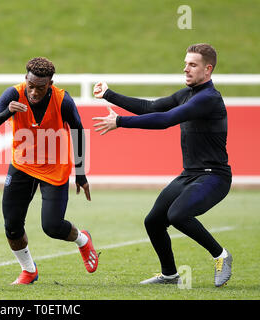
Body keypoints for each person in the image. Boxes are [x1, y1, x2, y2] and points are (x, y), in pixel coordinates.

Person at [92, 43, 232, 287]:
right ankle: (169, 275)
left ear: (207, 70)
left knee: (178, 215)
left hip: (214, 177)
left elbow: (166, 120)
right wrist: (109, 94)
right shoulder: (185, 94)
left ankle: (221, 255)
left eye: (192, 64)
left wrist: (121, 122)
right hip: (190, 175)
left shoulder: (209, 98)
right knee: (153, 221)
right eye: (185, 63)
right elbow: (151, 107)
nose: (186, 68)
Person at [0, 57, 98, 284]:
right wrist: (7, 113)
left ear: (50, 84)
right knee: (12, 227)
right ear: (25, 79)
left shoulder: (63, 100)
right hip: (21, 166)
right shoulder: (13, 95)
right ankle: (29, 270)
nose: (33, 92)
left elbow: (78, 132)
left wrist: (81, 174)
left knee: (52, 227)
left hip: (55, 168)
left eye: (40, 88)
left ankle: (82, 239)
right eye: (31, 86)